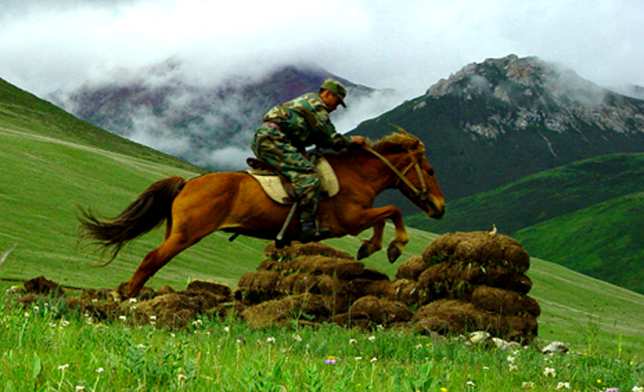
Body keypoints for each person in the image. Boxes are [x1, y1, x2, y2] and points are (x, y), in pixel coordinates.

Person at [251, 78, 367, 243]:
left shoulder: (305, 102)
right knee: (309, 175)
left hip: (268, 138)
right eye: (336, 101)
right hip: (275, 141)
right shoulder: (316, 107)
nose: (335, 107)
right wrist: (352, 140)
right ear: (327, 94)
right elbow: (330, 139)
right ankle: (306, 227)